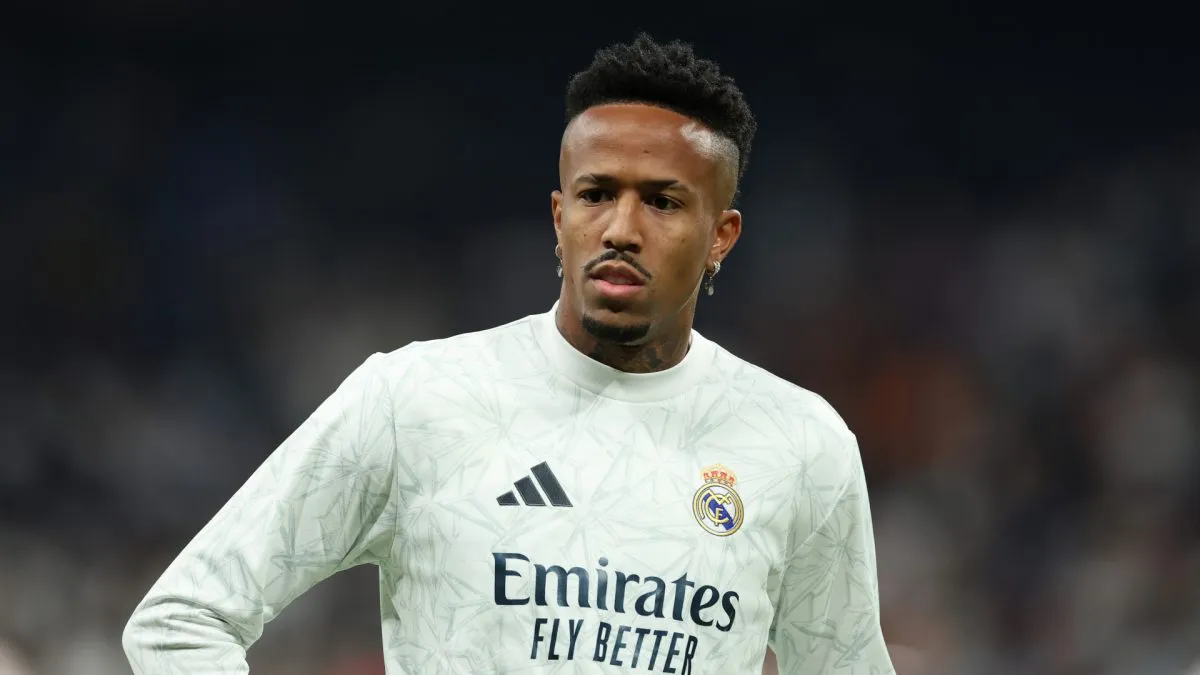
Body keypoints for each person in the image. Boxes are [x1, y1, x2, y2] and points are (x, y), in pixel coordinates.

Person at [123, 34, 896, 675]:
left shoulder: (800, 444)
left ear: (721, 235)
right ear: (559, 217)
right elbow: (181, 621)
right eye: (596, 194)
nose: (621, 228)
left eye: (662, 201)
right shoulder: (417, 397)